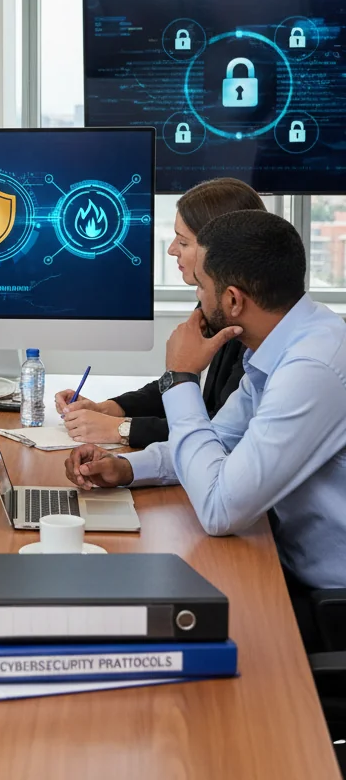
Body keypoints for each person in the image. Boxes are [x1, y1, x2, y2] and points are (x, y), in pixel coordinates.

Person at [64, 210, 346, 604]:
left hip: (328, 600)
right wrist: (128, 468)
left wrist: (180, 377)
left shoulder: (311, 368)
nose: (197, 297)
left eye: (201, 287)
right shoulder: (284, 344)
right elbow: (219, 440)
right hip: (287, 565)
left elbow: (219, 509)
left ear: (232, 300)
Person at [54, 177, 264, 448]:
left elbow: (221, 429)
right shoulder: (211, 301)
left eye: (184, 243)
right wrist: (109, 409)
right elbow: (179, 391)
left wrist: (122, 429)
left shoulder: (253, 322)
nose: (171, 250)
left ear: (220, 251)